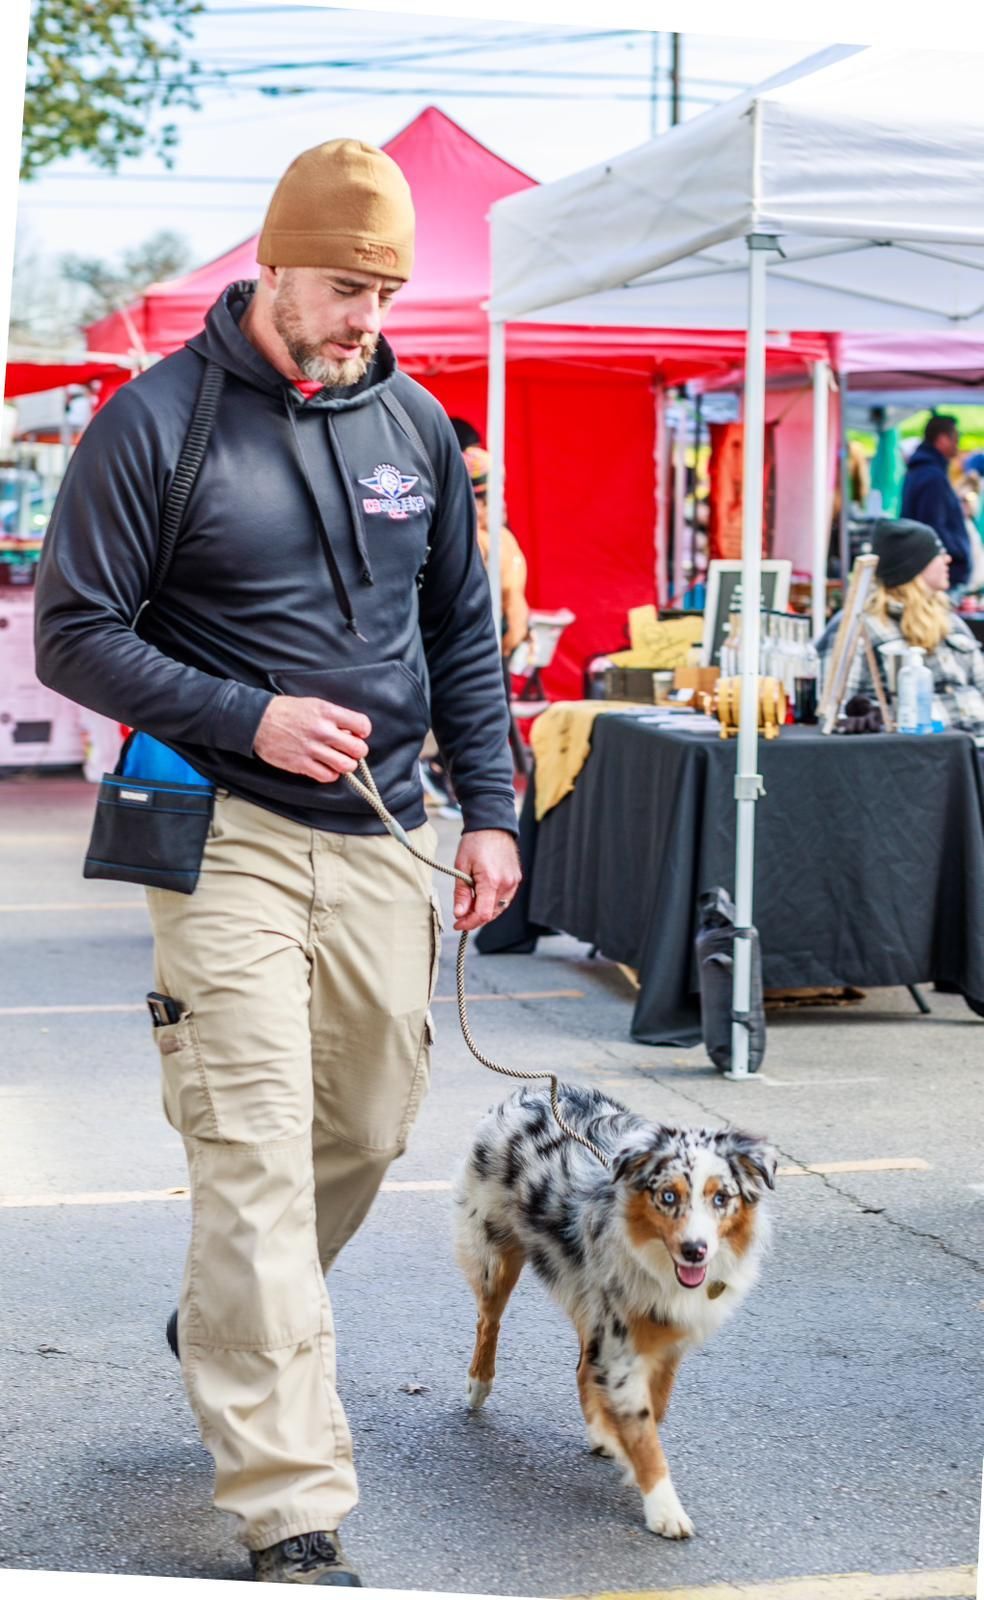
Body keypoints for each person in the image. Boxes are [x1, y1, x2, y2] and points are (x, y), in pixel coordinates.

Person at [34, 138, 521, 1587]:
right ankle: (290, 1502)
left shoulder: (417, 427)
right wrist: (246, 710)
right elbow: (75, 633)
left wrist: (490, 807)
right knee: (248, 1152)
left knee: (366, 1127)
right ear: (271, 264)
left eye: (383, 290)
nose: (365, 316)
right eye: (340, 285)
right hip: (222, 834)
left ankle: (232, 1311)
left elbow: (462, 641)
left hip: (386, 829)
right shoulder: (156, 420)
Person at [817, 518, 984, 737]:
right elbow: (837, 710)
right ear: (913, 565)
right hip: (921, 754)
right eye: (938, 553)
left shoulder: (950, 620)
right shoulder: (858, 625)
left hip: (974, 749)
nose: (948, 559)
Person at [462, 445, 531, 658]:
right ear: (477, 503)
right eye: (494, 495)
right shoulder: (473, 541)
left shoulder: (501, 536)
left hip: (505, 645)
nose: (502, 503)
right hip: (483, 646)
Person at [899, 415, 973, 593]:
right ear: (941, 440)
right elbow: (932, 528)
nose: (958, 443)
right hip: (935, 575)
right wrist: (957, 554)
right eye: (955, 437)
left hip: (929, 571)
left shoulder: (923, 472)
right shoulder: (932, 476)